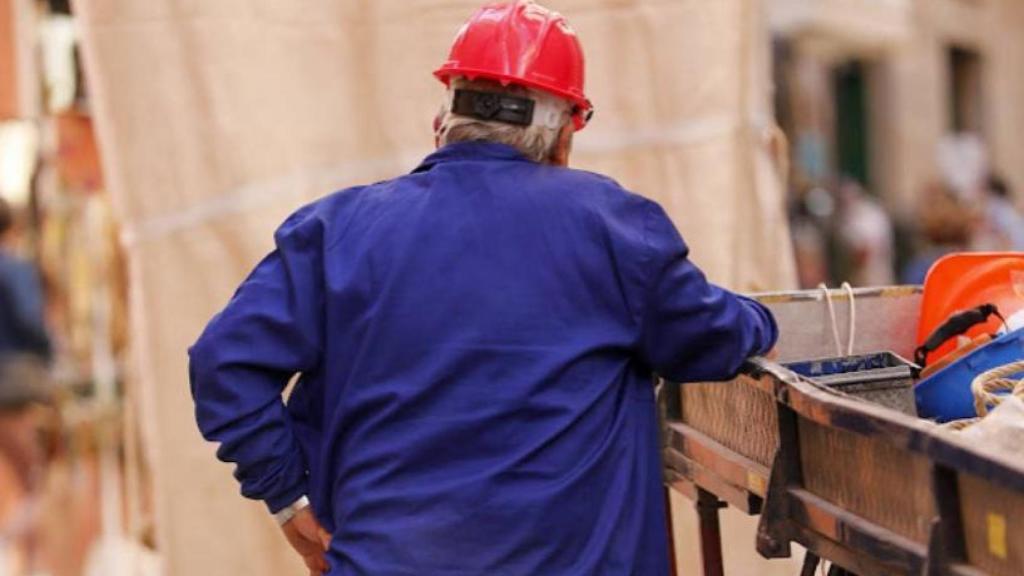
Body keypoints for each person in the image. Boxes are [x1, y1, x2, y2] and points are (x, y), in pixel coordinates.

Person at [189, 2, 778, 575]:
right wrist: (764, 320)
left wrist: (288, 497)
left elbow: (224, 363)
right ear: (564, 136)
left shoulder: (335, 232)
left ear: (443, 123)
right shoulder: (614, 229)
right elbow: (714, 336)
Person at [0, 198, 51, 362]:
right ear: (11, 229)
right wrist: (48, 349)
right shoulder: (16, 269)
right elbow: (29, 320)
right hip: (15, 363)